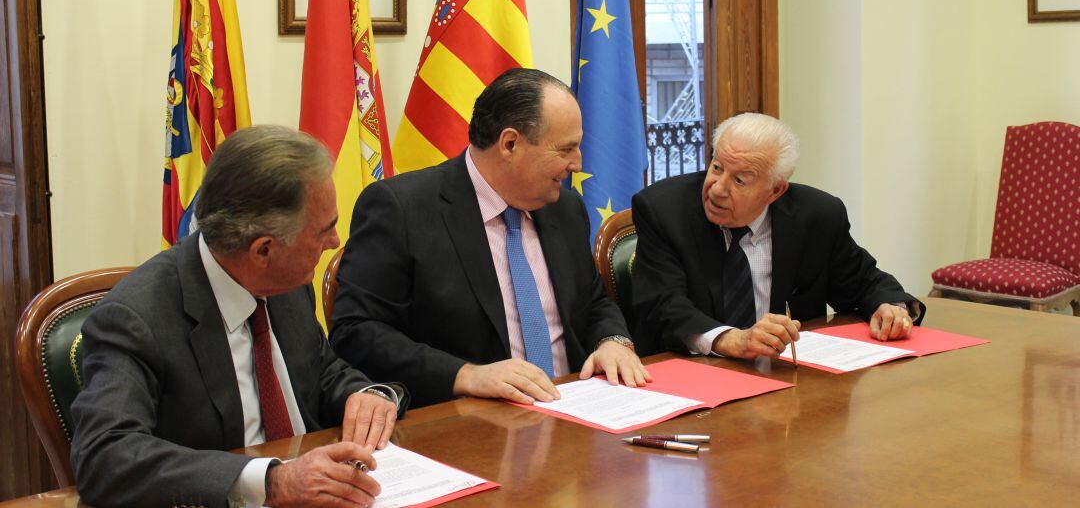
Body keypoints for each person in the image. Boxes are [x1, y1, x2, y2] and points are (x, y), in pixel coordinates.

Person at [70, 125, 407, 508]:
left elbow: (321, 371)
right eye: (324, 230)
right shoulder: (136, 318)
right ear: (264, 250)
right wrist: (272, 481)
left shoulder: (287, 282)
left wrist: (367, 395)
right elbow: (104, 456)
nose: (334, 242)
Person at [330, 68, 649, 408]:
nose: (577, 163)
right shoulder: (402, 210)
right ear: (510, 143)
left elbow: (594, 301)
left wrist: (612, 341)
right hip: (471, 421)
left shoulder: (565, 209)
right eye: (566, 149)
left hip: (577, 407)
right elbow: (356, 331)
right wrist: (464, 374)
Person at [631, 112, 924, 360]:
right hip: (696, 378)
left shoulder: (817, 215)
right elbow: (661, 308)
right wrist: (731, 339)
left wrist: (891, 309)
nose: (718, 188)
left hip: (792, 385)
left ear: (775, 191)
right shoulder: (663, 211)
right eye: (717, 167)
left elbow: (865, 282)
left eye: (739, 180)